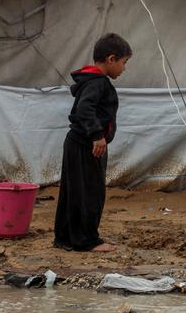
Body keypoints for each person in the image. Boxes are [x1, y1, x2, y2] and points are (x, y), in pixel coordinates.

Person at [53, 33, 132, 252]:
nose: (124, 68)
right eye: (124, 62)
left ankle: (65, 237)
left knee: (73, 191)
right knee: (90, 193)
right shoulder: (98, 83)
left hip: (77, 143)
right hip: (87, 145)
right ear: (111, 59)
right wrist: (97, 136)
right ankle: (86, 240)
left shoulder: (92, 81)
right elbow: (84, 109)